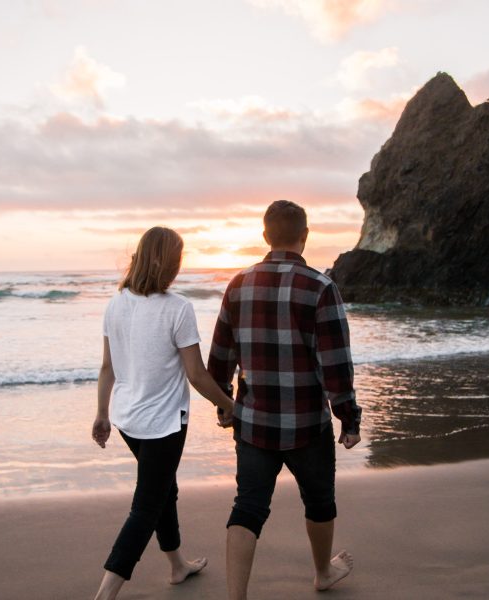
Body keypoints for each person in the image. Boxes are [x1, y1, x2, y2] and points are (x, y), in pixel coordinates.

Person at [207, 200, 362, 599]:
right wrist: (349, 418)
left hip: (254, 422)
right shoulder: (321, 287)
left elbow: (220, 355)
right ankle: (323, 573)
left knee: (248, 506)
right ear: (305, 236)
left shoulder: (238, 284)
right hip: (307, 424)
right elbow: (336, 364)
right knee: (319, 501)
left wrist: (224, 402)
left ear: (265, 236)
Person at [92, 226, 234, 600]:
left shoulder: (116, 302)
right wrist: (229, 405)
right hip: (164, 425)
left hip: (128, 420)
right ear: (172, 264)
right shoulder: (178, 308)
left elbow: (107, 367)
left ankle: (177, 566)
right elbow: (197, 374)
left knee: (162, 490)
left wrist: (102, 413)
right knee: (146, 506)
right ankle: (105, 594)